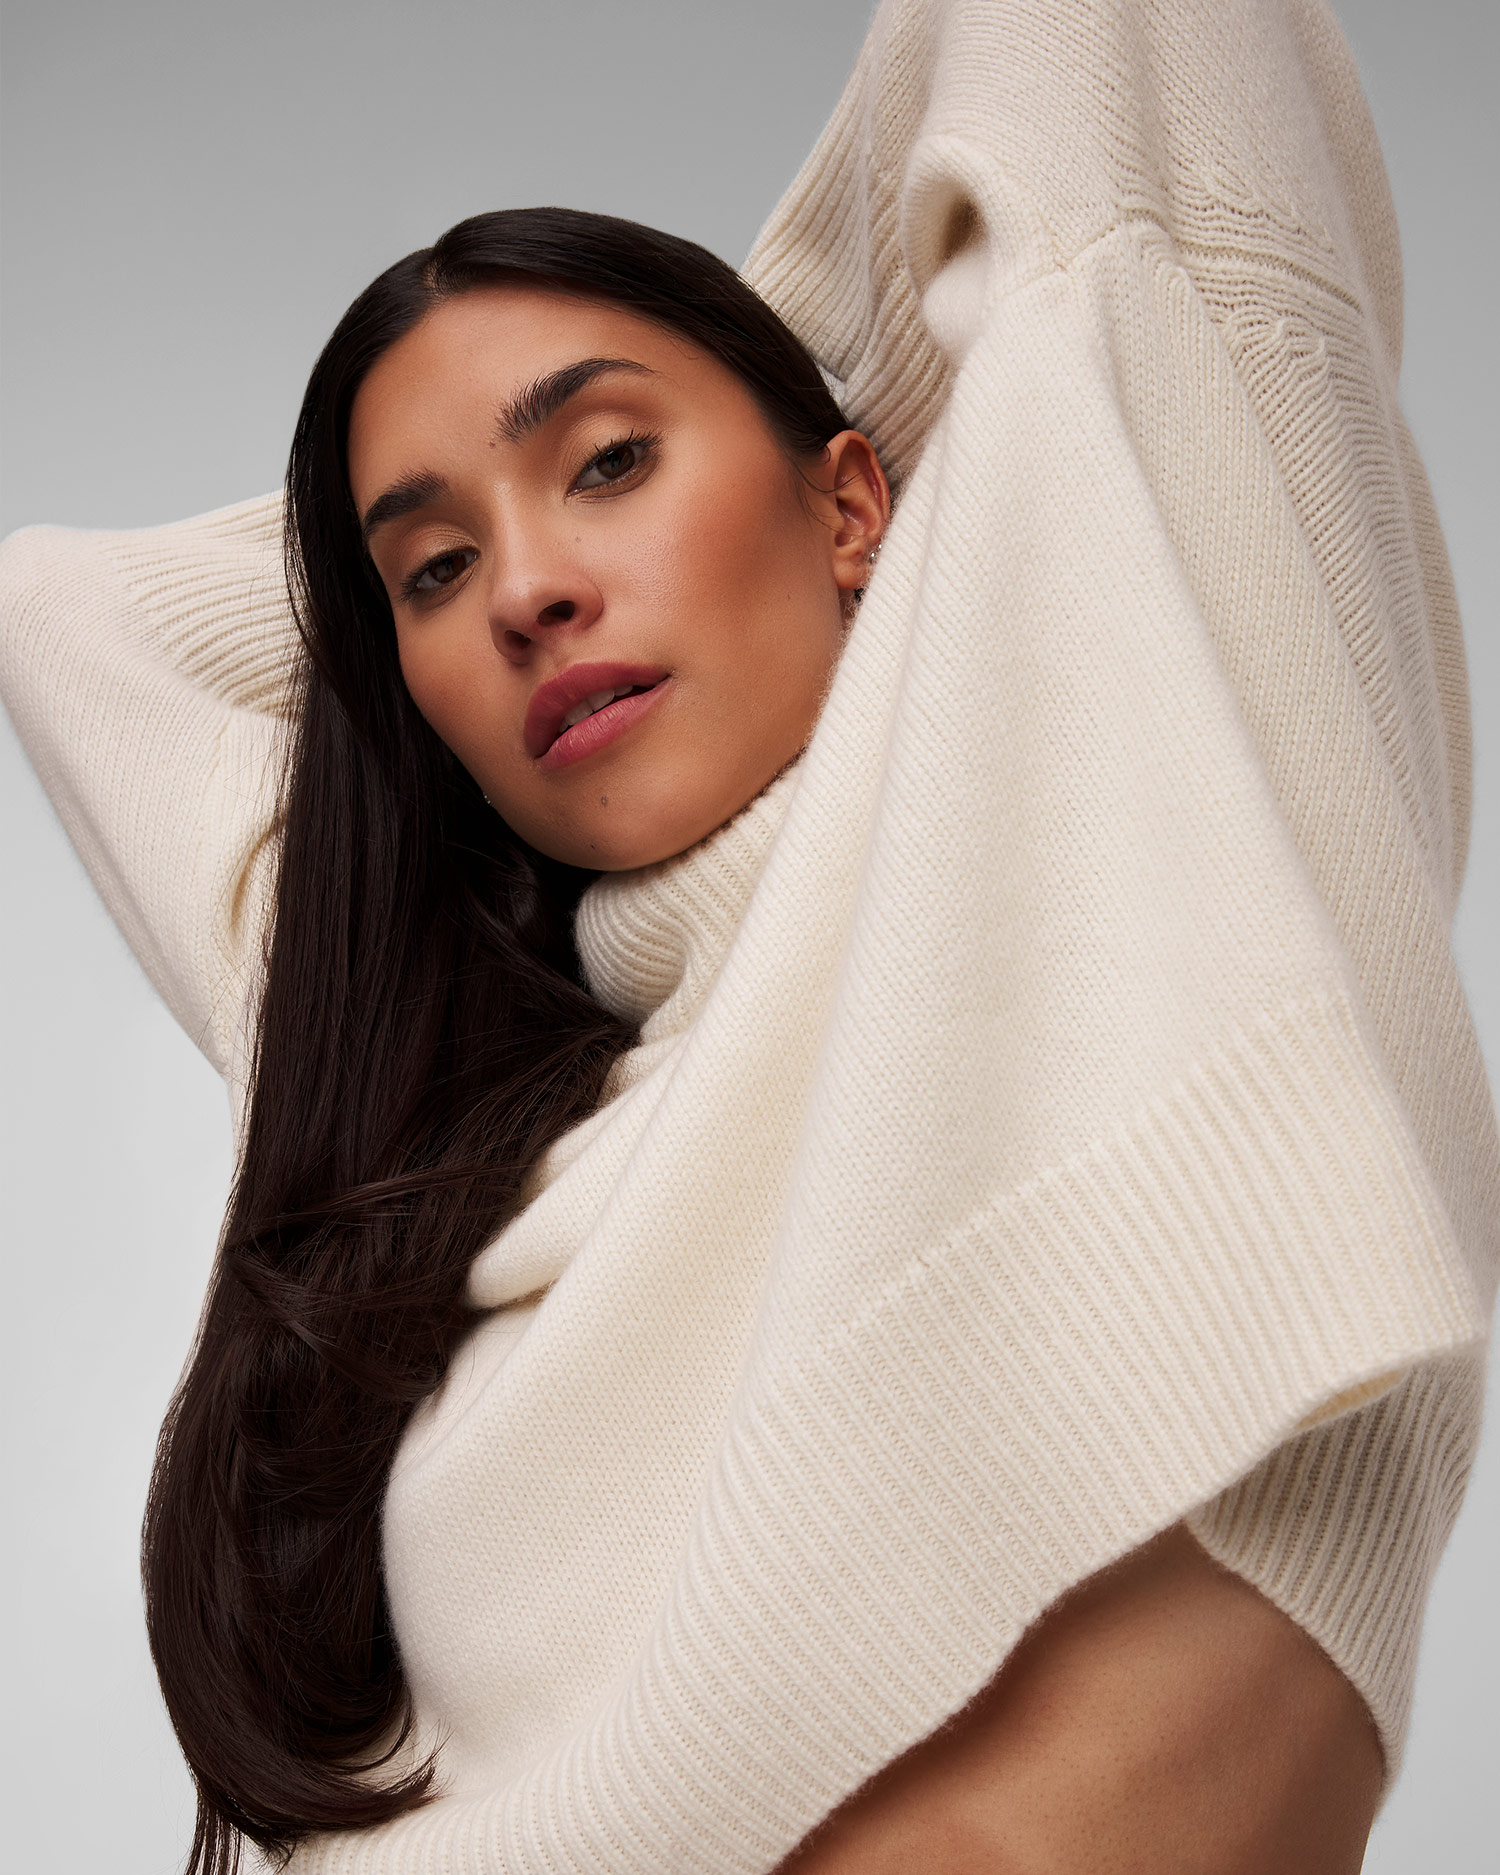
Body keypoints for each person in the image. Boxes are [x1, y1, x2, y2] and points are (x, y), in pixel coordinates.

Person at [2, 2, 1495, 1873]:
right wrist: (703, 425)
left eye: (609, 461)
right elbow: (73, 627)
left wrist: (788, 363)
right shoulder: (468, 1129)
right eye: (435, 569)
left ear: (861, 496)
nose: (527, 590)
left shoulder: (1146, 744)